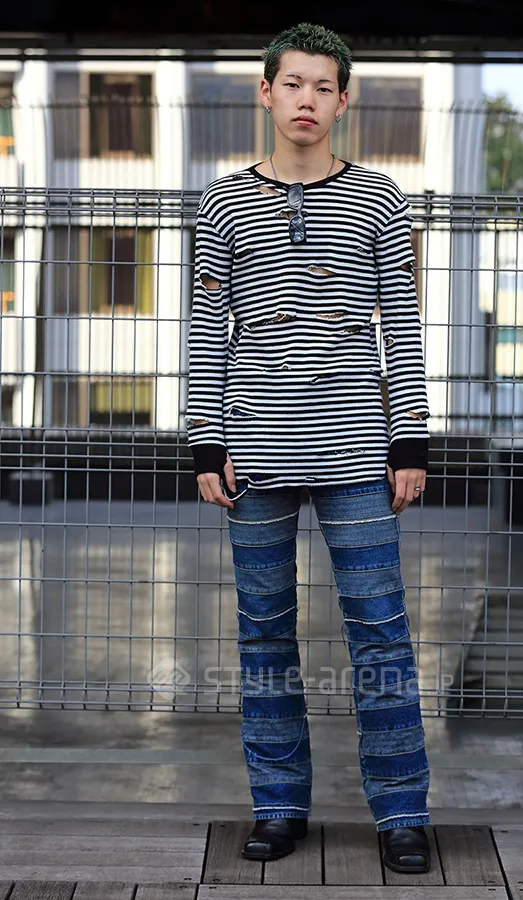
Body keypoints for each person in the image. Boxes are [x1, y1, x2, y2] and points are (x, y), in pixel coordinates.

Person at [185, 21, 432, 875]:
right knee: (264, 636)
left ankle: (402, 813)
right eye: (292, 83)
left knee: (381, 633)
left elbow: (402, 325)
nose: (307, 99)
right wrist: (205, 441)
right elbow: (206, 331)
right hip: (254, 451)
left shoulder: (381, 199)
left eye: (324, 86)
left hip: (359, 451)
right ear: (266, 93)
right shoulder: (221, 203)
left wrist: (410, 440)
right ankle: (279, 807)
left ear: (343, 101)